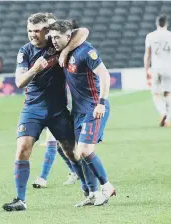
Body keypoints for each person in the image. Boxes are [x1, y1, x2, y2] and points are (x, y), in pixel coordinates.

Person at [2, 13, 89, 211]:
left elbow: (83, 31)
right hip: (32, 108)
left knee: (71, 151)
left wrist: (65, 53)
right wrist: (34, 69)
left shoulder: (56, 45)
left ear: (46, 30)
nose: (32, 35)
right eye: (29, 31)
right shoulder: (25, 51)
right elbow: (18, 82)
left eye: (37, 31)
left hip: (58, 109)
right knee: (23, 147)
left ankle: (88, 189)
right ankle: (20, 200)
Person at [48, 20, 116, 207]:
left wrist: (101, 102)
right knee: (79, 152)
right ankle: (93, 194)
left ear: (69, 37)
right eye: (52, 37)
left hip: (94, 107)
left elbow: (104, 75)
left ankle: (107, 186)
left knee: (85, 150)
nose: (53, 40)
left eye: (57, 37)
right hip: (78, 111)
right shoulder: (63, 50)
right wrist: (62, 50)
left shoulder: (86, 51)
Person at [32, 13, 78, 188]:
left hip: (60, 102)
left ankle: (42, 178)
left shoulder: (62, 46)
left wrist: (65, 50)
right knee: (60, 146)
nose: (50, 34)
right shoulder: (42, 50)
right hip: (44, 101)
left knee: (52, 142)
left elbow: (83, 31)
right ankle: (76, 170)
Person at [144, 14, 171, 127]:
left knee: (155, 94)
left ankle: (163, 112)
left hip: (156, 68)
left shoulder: (150, 36)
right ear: (166, 24)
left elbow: (147, 55)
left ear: (157, 24)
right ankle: (167, 119)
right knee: (168, 93)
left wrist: (146, 70)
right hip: (169, 68)